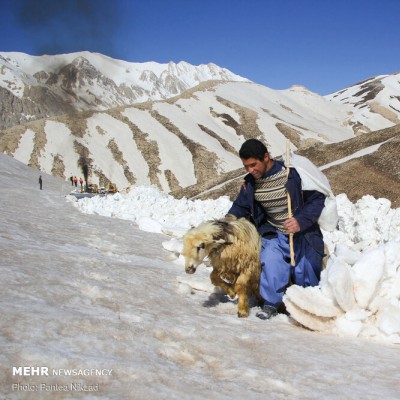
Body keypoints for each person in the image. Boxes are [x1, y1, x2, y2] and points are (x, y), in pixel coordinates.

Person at [225, 139, 325, 320]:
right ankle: (271, 303)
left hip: (303, 233)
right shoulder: (250, 183)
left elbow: (316, 199)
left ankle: (307, 306)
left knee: (305, 268)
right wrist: (229, 219)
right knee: (270, 260)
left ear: (266, 157)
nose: (250, 170)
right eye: (246, 166)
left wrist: (300, 221)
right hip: (274, 232)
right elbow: (241, 206)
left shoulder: (291, 175)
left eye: (253, 165)